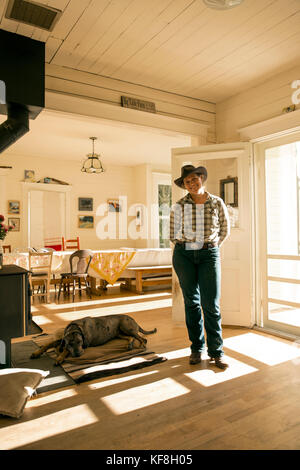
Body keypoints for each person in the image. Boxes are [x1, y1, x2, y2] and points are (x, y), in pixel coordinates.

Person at [170, 165, 230, 369]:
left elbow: (224, 229)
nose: (192, 184)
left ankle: (217, 352)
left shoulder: (216, 202)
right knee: (191, 303)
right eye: (187, 182)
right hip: (184, 254)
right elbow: (172, 233)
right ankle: (196, 348)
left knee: (211, 304)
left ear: (202, 178)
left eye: (194, 179)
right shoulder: (179, 205)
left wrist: (210, 247)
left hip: (208, 254)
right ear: (184, 185)